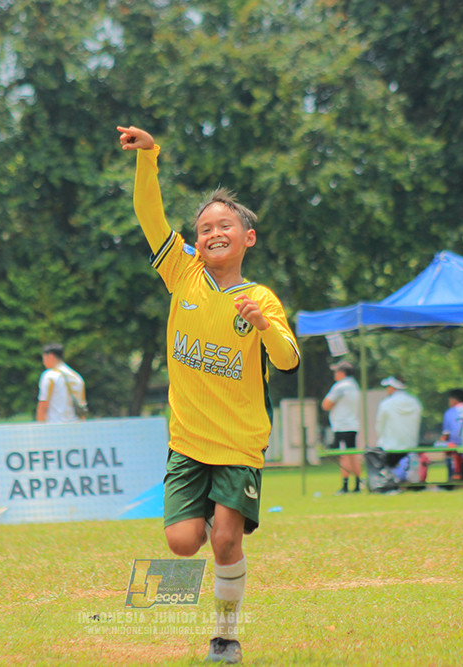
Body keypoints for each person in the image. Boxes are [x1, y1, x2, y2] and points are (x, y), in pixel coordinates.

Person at [118, 125, 300, 664]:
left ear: (248, 238)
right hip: (187, 440)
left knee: (225, 539)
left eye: (226, 224)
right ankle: (217, 597)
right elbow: (150, 216)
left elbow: (288, 360)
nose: (215, 231)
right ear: (197, 243)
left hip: (241, 444)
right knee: (182, 543)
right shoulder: (183, 274)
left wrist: (263, 325)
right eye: (205, 227)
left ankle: (225, 634)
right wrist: (149, 158)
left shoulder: (262, 298)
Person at [322, 361, 362, 495]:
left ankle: (345, 487)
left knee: (344, 456)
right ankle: (357, 485)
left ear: (342, 373)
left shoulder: (340, 386)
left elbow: (326, 405)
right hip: (352, 425)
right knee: (352, 455)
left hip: (341, 426)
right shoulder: (354, 385)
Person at [374, 376, 423, 484]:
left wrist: (381, 439)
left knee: (388, 468)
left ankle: (391, 482)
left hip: (390, 447)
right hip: (410, 446)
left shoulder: (386, 403)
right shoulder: (415, 402)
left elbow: (379, 425)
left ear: (392, 387)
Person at [36, 343, 87, 424]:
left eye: (44, 358)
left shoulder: (50, 376)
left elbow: (43, 407)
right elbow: (82, 406)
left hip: (55, 427)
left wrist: (40, 431)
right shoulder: (77, 377)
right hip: (76, 427)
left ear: (51, 356)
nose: (44, 362)